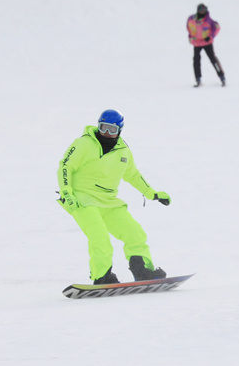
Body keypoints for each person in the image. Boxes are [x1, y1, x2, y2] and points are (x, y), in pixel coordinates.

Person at [58, 109, 170, 284]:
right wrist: (66, 192)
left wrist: (152, 193)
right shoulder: (84, 144)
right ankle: (101, 276)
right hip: (83, 199)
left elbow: (132, 174)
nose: (107, 133)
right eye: (103, 128)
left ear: (120, 130)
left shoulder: (123, 150)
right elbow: (65, 166)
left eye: (112, 130)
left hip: (109, 201)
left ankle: (142, 271)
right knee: (100, 238)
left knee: (135, 234)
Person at [186, 3, 226, 87]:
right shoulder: (191, 19)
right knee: (196, 60)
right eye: (201, 10)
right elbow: (189, 29)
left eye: (204, 10)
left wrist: (211, 36)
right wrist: (190, 37)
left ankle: (221, 76)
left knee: (213, 59)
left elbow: (217, 27)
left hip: (207, 43)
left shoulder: (208, 20)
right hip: (197, 43)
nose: (202, 12)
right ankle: (198, 78)